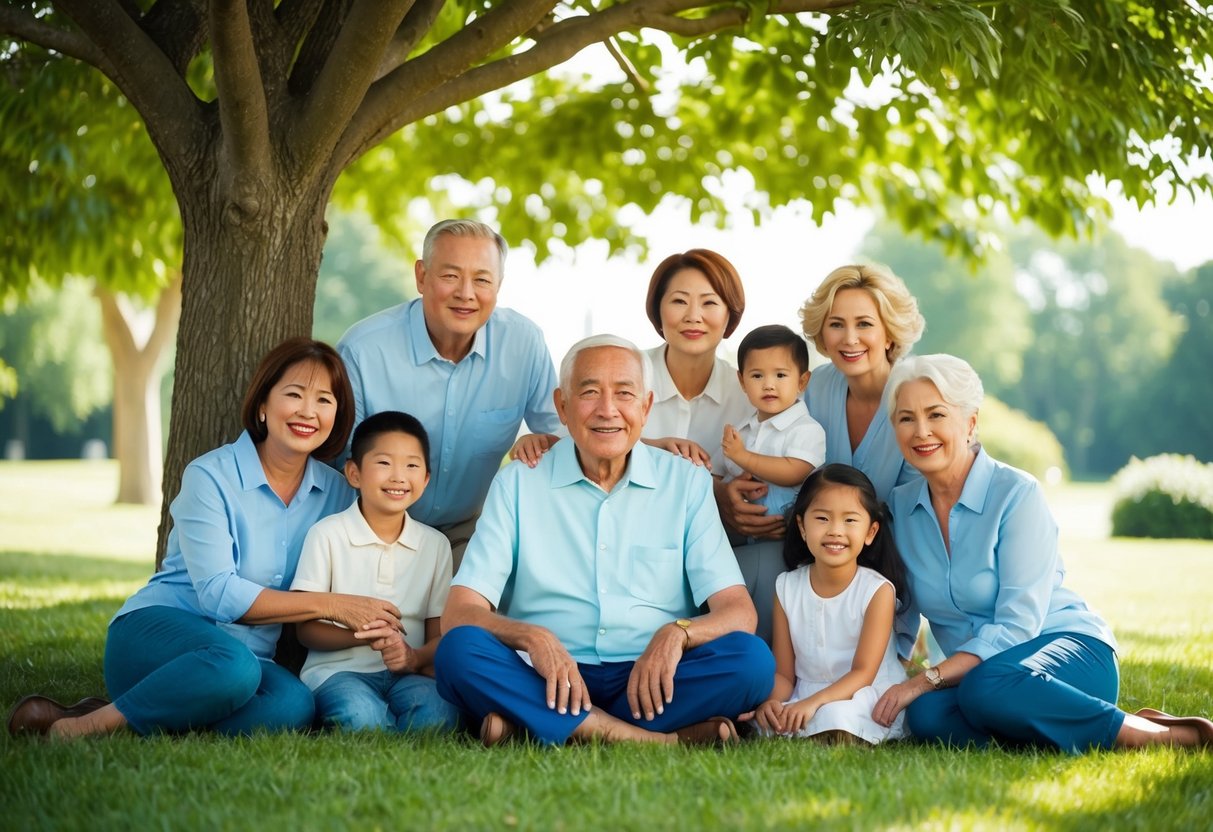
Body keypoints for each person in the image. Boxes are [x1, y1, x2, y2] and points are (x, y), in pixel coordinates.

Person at [8, 338, 403, 738]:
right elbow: (219, 594)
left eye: (324, 400)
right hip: (157, 634)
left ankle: (134, 714)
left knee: (293, 706)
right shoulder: (210, 476)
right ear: (263, 404)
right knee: (234, 666)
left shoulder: (338, 494)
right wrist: (331, 605)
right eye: (294, 394)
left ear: (338, 413)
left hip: (247, 659)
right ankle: (91, 724)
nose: (308, 411)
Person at [434, 335, 774, 746]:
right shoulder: (518, 481)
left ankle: (539, 725)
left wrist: (677, 633)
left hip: (651, 683)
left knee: (752, 662)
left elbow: (739, 612)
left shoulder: (685, 482)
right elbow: (460, 612)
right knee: (458, 651)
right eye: (589, 392)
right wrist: (533, 637)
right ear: (562, 405)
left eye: (624, 394)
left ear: (646, 407)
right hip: (544, 676)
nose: (607, 410)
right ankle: (651, 740)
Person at [872, 354, 1213, 751]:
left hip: (1066, 649)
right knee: (926, 717)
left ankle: (1155, 736)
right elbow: (901, 610)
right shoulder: (899, 507)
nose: (921, 431)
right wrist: (890, 676)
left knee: (984, 689)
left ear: (969, 423)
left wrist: (927, 679)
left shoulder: (1017, 494)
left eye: (936, 415)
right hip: (977, 679)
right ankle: (1083, 720)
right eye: (906, 418)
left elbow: (1018, 627)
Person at [337, 219, 562, 569]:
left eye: (482, 280)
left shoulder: (523, 343)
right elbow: (338, 459)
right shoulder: (364, 349)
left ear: (499, 286)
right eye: (451, 276)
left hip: (468, 534)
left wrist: (540, 442)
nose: (466, 293)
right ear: (422, 277)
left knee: (466, 620)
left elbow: (567, 435)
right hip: (372, 530)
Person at [718, 264, 924, 645]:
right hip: (809, 561)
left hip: (888, 569)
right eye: (836, 324)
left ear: (889, 332)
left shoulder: (914, 395)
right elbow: (769, 451)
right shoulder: (812, 390)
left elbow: (919, 519)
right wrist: (734, 494)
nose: (849, 339)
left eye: (864, 324)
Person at [290, 411, 459, 733]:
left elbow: (439, 634)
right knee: (362, 718)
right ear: (354, 473)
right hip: (336, 672)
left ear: (425, 478)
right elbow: (306, 631)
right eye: (384, 463)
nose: (398, 476)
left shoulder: (435, 545)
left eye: (412, 465)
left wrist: (413, 657)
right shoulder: (327, 534)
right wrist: (365, 636)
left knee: (439, 717)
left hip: (407, 672)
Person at [745, 464, 909, 745]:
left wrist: (813, 704)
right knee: (768, 720)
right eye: (822, 518)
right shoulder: (787, 586)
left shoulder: (876, 590)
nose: (835, 531)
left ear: (870, 532)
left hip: (861, 692)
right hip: (805, 692)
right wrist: (771, 702)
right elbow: (784, 673)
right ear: (802, 526)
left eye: (850, 520)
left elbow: (863, 673)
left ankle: (827, 729)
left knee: (835, 716)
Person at [639, 248, 750, 466]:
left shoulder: (749, 396)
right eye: (679, 301)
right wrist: (646, 448)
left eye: (709, 303)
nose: (693, 317)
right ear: (657, 309)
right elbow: (569, 446)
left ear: (730, 314)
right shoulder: (623, 375)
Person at [715, 324, 825, 523]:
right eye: (757, 376)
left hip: (788, 535)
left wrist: (742, 456)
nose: (768, 385)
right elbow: (720, 472)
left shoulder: (807, 430)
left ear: (802, 381)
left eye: (780, 375)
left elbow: (794, 472)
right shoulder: (741, 430)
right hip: (741, 529)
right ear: (742, 381)